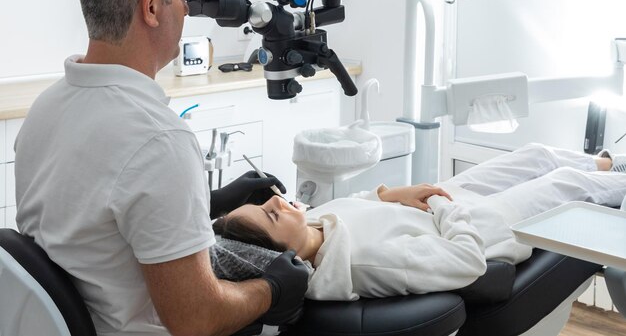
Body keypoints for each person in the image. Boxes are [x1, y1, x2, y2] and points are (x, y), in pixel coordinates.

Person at [14, 0, 308, 336]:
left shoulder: (47, 109)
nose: (188, 9)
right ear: (152, 7)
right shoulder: (157, 140)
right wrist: (273, 289)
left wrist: (211, 201)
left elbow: (101, 225)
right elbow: (197, 319)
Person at [213, 143, 626, 301]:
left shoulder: (313, 225)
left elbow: (355, 204)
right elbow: (467, 262)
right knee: (566, 183)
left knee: (535, 154)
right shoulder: (363, 262)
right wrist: (443, 208)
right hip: (484, 226)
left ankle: (612, 165)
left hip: (444, 204)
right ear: (284, 256)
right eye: (270, 213)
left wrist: (391, 195)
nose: (277, 200)